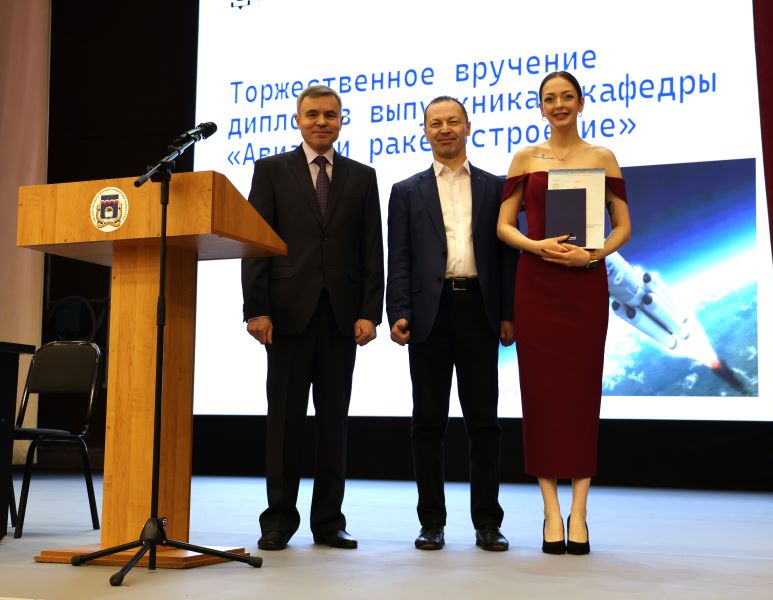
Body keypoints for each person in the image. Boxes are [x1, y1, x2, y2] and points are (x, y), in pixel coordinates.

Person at [241, 85, 384, 551]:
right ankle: (278, 520)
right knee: (284, 421)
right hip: (285, 316)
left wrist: (370, 312)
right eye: (313, 114)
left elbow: (371, 250)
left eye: (330, 114)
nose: (322, 121)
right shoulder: (270, 170)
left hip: (341, 317)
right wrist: (256, 307)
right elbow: (256, 242)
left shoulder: (362, 176)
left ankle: (328, 521)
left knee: (333, 422)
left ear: (341, 120)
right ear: (298, 119)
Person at [496, 71, 632, 555]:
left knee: (580, 396)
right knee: (541, 397)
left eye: (567, 97)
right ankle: (551, 511)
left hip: (584, 284)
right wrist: (537, 246)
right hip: (536, 285)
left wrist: (594, 255)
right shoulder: (525, 158)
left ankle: (580, 512)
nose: (559, 105)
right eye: (550, 98)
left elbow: (623, 225)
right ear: (541, 107)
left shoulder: (602, 157)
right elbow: (504, 225)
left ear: (581, 103)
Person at [386, 96, 517, 551]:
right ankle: (431, 523)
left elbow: (507, 256)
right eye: (436, 123)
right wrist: (398, 312)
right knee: (428, 423)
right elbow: (399, 258)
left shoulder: (496, 187)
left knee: (484, 423)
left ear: (468, 127)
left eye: (453, 121)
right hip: (429, 314)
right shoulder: (406, 191)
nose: (445, 129)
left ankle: (488, 523)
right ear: (425, 131)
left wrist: (508, 313)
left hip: (479, 309)